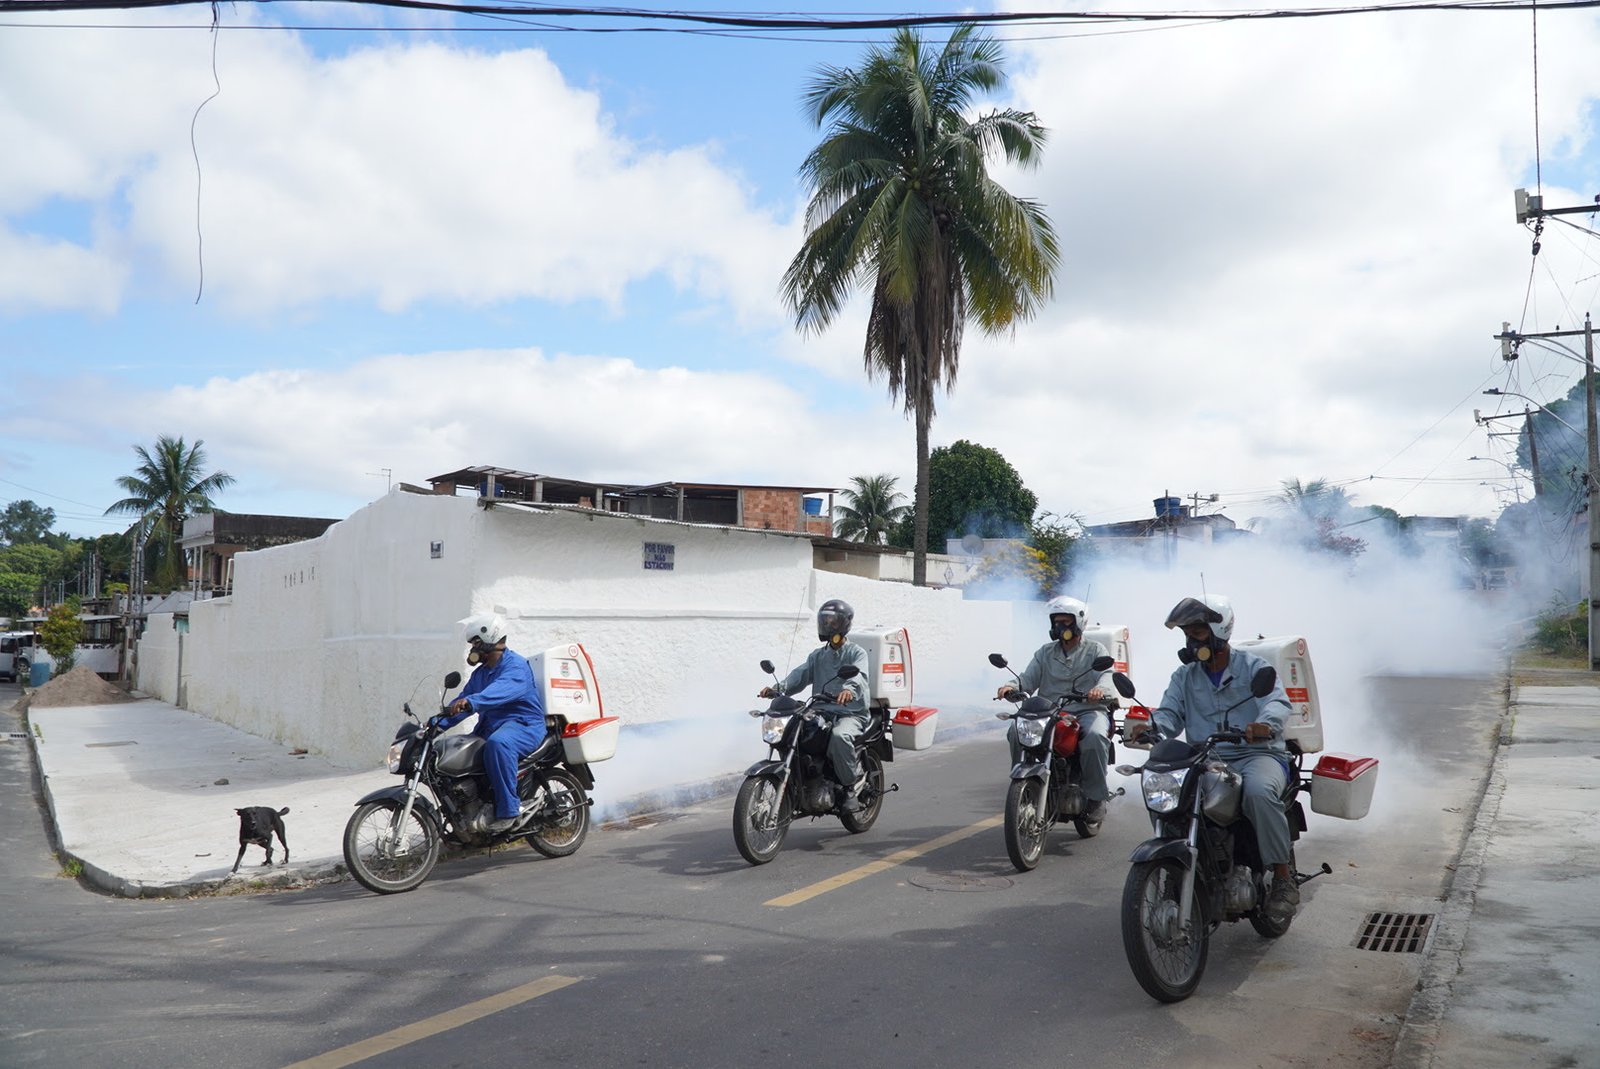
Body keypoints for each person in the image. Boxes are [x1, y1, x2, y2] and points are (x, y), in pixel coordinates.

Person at [1128, 594, 1300, 925]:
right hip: (1207, 758)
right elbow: (1169, 713)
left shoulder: (1254, 668)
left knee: (1259, 793)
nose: (1192, 640)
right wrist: (1151, 726)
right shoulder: (1185, 676)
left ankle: (1282, 879)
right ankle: (1189, 866)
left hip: (1256, 754)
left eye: (1199, 632)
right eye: (1188, 633)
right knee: (1169, 794)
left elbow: (1278, 703)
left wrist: (1265, 724)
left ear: (1219, 630)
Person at [995, 595, 1116, 823]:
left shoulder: (1095, 650)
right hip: (1050, 712)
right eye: (1056, 621)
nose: (1060, 627)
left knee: (1096, 737)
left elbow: (1107, 676)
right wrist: (1010, 687)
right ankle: (1023, 785)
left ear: (1079, 623)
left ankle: (1095, 798)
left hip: (1087, 709)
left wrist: (1100, 690)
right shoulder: (1045, 652)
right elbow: (1027, 679)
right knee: (1015, 731)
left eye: (1066, 622)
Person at [433, 613, 548, 833]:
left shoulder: (516, 667)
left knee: (498, 744)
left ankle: (509, 811)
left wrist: (470, 702)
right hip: (492, 727)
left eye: (475, 643)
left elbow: (495, 694)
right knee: (457, 750)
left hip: (524, 725)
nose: (472, 649)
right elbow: (461, 702)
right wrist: (434, 726)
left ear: (489, 639)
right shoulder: (481, 674)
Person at [758, 598, 873, 811]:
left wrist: (849, 689)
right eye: (826, 621)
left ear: (844, 624)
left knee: (839, 737)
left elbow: (860, 676)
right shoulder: (818, 656)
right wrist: (778, 688)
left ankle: (848, 788)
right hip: (821, 710)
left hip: (850, 714)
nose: (829, 626)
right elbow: (799, 676)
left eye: (833, 622)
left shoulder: (856, 653)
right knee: (795, 730)